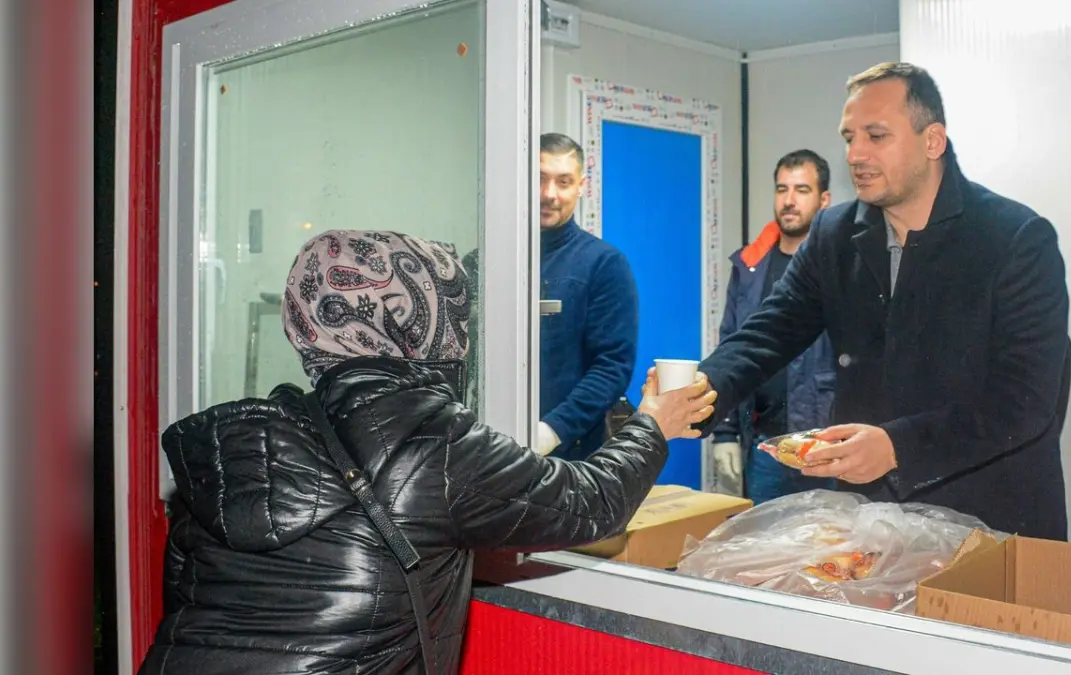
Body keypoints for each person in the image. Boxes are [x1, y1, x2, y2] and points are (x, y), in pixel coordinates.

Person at [138, 230, 716, 675]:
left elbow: (185, 591)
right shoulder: (428, 436)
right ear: (421, 317)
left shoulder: (245, 435)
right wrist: (654, 424)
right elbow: (591, 503)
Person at [695, 62, 1071, 540]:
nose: (856, 154)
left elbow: (1024, 401)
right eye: (849, 137)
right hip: (875, 521)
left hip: (993, 521)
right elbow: (769, 331)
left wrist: (898, 446)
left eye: (876, 136)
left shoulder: (1015, 237)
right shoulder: (833, 234)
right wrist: (701, 390)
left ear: (932, 141)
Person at [712, 149, 837, 503]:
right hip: (765, 447)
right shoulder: (750, 266)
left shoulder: (839, 264)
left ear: (824, 200)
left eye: (802, 190)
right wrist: (725, 432)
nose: (789, 200)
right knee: (766, 537)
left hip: (826, 446)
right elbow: (731, 346)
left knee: (829, 537)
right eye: (782, 189)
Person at [537, 132, 640, 460]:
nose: (549, 194)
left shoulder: (604, 264)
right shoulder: (483, 262)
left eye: (563, 182)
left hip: (572, 457)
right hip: (489, 451)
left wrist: (551, 431)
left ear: (581, 186)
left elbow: (612, 367)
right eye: (539, 179)